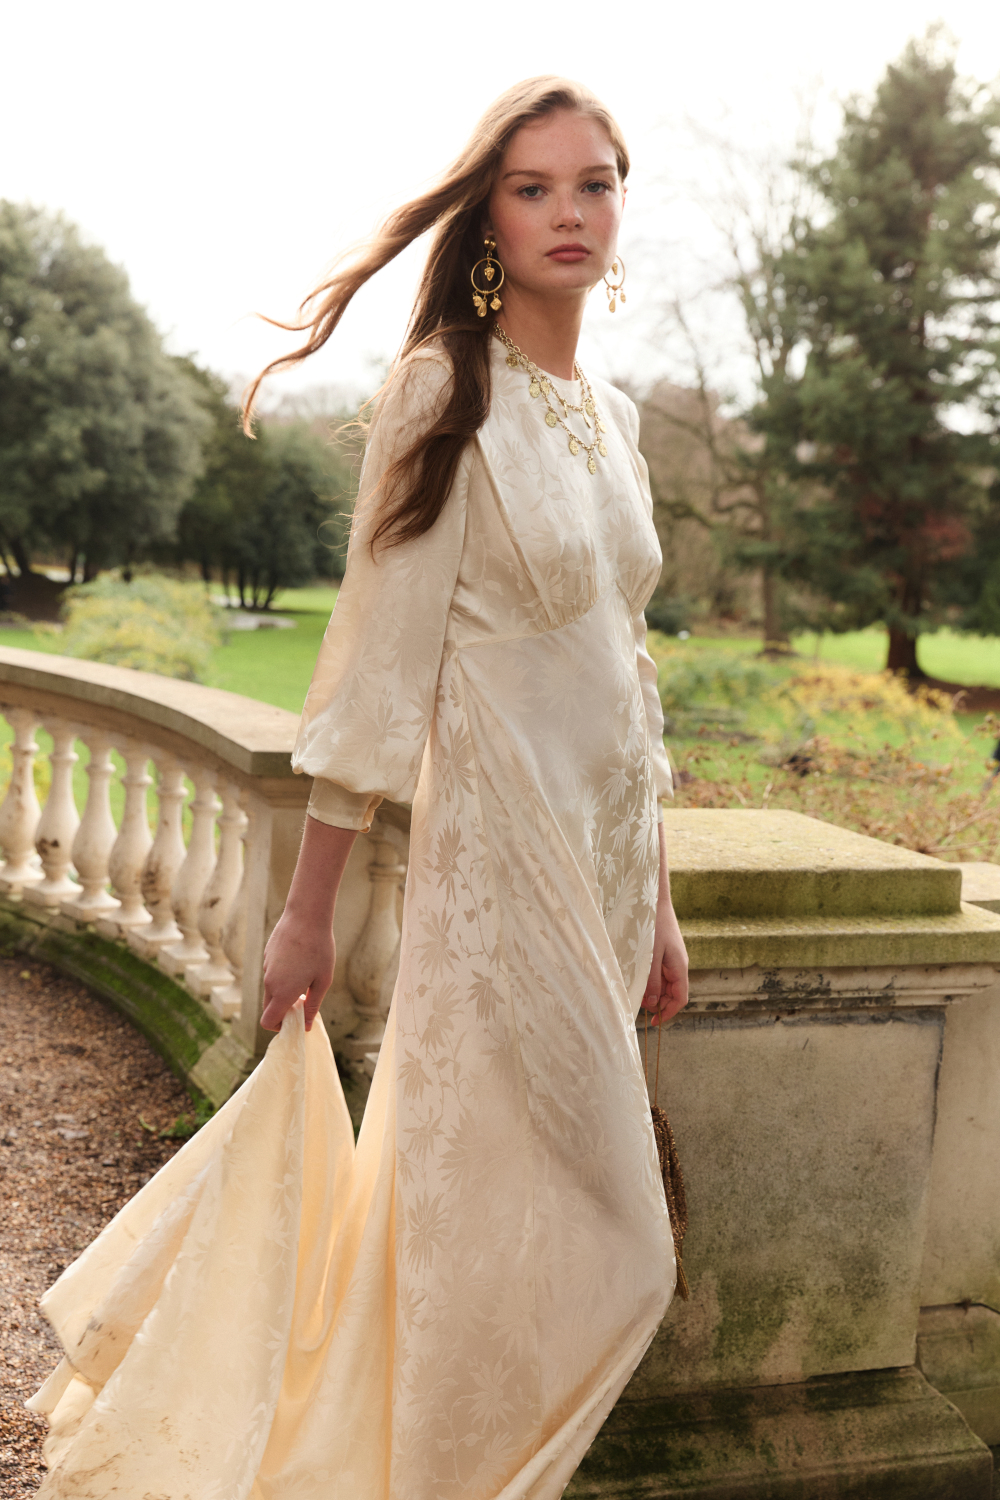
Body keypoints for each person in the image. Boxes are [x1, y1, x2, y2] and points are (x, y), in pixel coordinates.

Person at [27, 76, 690, 1500]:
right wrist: (305, 915)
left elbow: (624, 669)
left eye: (596, 182)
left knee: (467, 1224)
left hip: (606, 868)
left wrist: (666, 902)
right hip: (500, 868)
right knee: (629, 1248)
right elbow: (380, 671)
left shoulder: (617, 420)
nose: (572, 210)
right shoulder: (443, 392)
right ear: (492, 223)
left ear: (622, 208)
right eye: (536, 187)